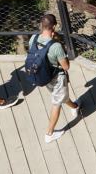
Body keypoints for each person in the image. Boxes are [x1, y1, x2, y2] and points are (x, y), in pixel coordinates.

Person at [29, 14, 78, 143]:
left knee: (60, 95)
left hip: (43, 76)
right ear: (54, 27)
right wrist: (62, 50)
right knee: (56, 103)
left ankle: (74, 107)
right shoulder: (56, 46)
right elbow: (66, 66)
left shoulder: (33, 39)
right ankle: (49, 133)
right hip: (56, 78)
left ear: (41, 25)